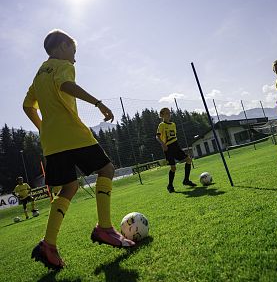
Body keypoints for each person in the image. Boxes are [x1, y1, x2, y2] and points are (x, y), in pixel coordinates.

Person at [23, 29, 135, 270]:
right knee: (107, 170)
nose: (74, 57)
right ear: (62, 46)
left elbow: (27, 106)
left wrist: (43, 128)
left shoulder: (38, 74)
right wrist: (99, 103)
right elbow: (66, 85)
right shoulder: (62, 64)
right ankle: (104, 228)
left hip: (52, 142)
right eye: (73, 50)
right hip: (73, 134)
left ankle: (48, 244)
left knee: (70, 187)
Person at [156, 107, 197, 193]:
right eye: (166, 113)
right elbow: (157, 136)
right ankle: (170, 185)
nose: (168, 114)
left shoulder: (173, 124)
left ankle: (186, 180)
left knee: (189, 160)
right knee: (173, 168)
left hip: (176, 146)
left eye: (169, 113)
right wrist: (163, 144)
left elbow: (173, 137)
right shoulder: (162, 125)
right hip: (168, 148)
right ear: (162, 115)